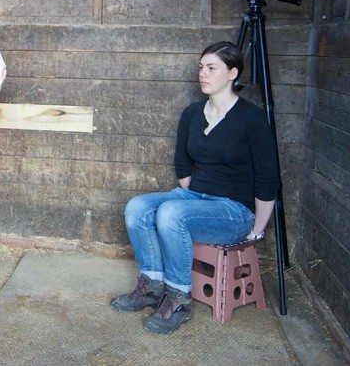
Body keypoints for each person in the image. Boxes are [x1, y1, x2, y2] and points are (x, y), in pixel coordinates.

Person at [110, 41, 279, 334]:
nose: (203, 74)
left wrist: (257, 230)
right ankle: (152, 285)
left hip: (234, 210)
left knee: (172, 214)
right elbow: (183, 163)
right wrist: (190, 198)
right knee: (137, 207)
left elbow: (268, 178)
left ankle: (178, 298)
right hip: (194, 197)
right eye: (201, 67)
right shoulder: (192, 113)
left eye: (212, 68)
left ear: (232, 73)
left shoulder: (252, 119)